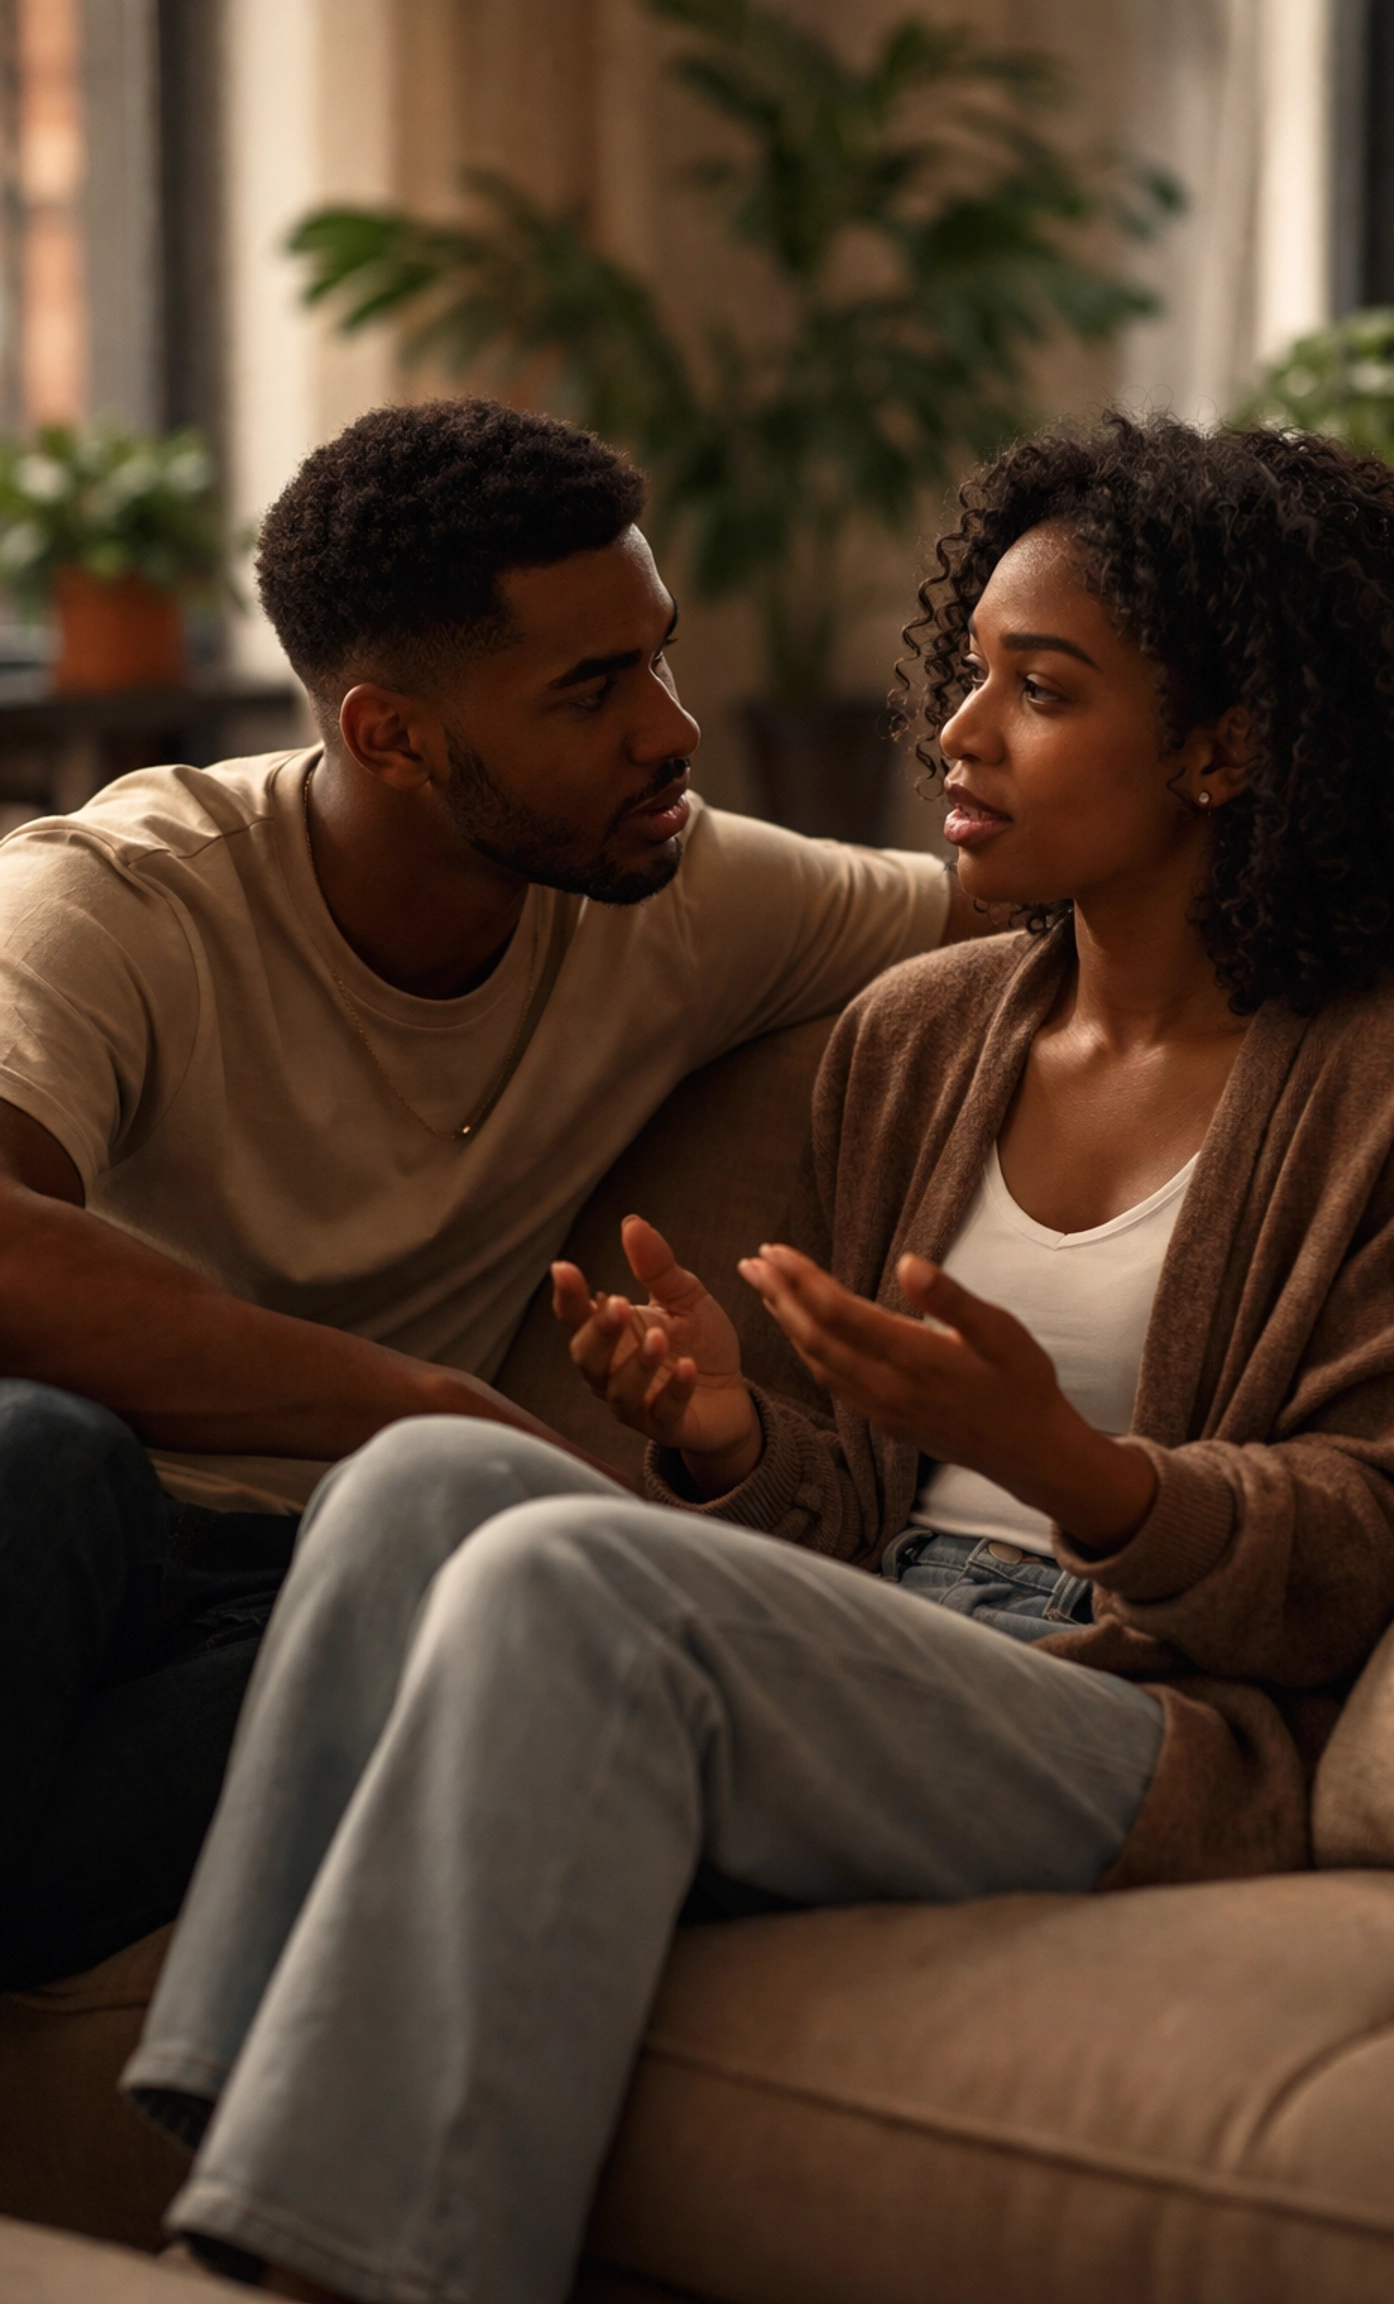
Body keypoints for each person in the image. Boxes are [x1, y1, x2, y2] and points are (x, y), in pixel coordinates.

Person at [127, 416, 1394, 2304]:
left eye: (1040, 694)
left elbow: (1375, 1528)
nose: (955, 737)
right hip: (892, 1643)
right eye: (970, 679)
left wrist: (1064, 1458)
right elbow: (856, 1512)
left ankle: (340, 2273)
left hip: (1147, 1724)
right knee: (418, 1483)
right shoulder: (922, 1032)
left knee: (556, 1568)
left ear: (1230, 744)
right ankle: (224, 2172)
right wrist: (725, 1433)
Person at [0, 398, 979, 1988]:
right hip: (72, 1544)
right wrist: (427, 1410)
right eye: (593, 689)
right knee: (34, 1449)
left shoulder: (684, 889)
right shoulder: (114, 902)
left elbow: (1017, 909)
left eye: (657, 654)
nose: (672, 727)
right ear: (388, 733)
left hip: (314, 1587)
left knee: (468, 1607)